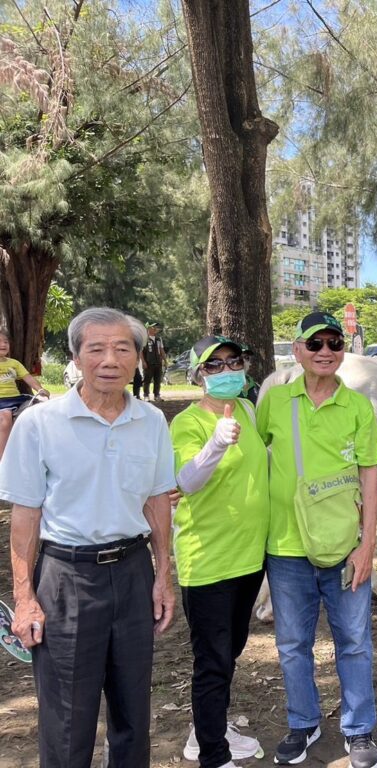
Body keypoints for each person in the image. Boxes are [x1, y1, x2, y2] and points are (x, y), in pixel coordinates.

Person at [0, 307, 176, 767]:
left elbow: (158, 501)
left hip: (134, 572)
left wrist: (163, 576)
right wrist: (24, 597)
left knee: (134, 712)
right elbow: (25, 515)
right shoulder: (40, 423)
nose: (109, 359)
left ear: (139, 358)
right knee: (67, 721)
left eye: (122, 348)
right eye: (95, 348)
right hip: (66, 578)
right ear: (76, 357)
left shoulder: (152, 421)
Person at [256, 311, 377, 768]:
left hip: (346, 545)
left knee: (354, 642)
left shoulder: (357, 407)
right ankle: (303, 722)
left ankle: (359, 728)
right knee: (292, 644)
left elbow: (371, 474)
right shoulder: (274, 401)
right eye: (316, 344)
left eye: (334, 343)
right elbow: (252, 456)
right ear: (298, 350)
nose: (326, 351)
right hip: (287, 548)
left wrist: (368, 542)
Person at [170, 335, 270, 767]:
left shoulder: (248, 409)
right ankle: (212, 753)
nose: (227, 371)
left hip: (249, 557)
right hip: (207, 560)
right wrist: (215, 444)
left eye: (233, 362)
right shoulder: (187, 423)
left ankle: (207, 727)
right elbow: (186, 481)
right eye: (214, 366)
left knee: (230, 650)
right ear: (197, 376)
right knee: (211, 660)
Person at [0, 329, 49, 460]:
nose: (3, 344)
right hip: (1, 401)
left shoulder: (14, 363)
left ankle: (40, 453)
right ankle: (4, 458)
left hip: (15, 398)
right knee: (5, 418)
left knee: (41, 409)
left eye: (6, 342)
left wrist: (40, 389)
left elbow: (29, 378)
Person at [142, 321, 167, 401]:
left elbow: (161, 350)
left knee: (157, 380)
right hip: (148, 363)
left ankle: (157, 395)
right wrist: (143, 362)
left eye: (156, 327)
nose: (156, 329)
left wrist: (165, 360)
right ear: (149, 328)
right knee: (147, 380)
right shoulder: (144, 339)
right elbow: (140, 352)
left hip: (158, 362)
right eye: (154, 327)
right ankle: (146, 395)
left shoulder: (158, 339)